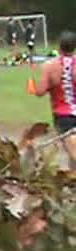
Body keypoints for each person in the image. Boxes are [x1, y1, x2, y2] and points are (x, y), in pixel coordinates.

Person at [31, 31, 76, 170]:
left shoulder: (50, 66)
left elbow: (40, 92)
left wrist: (32, 86)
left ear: (59, 47)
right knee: (73, 154)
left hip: (63, 116)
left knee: (73, 152)